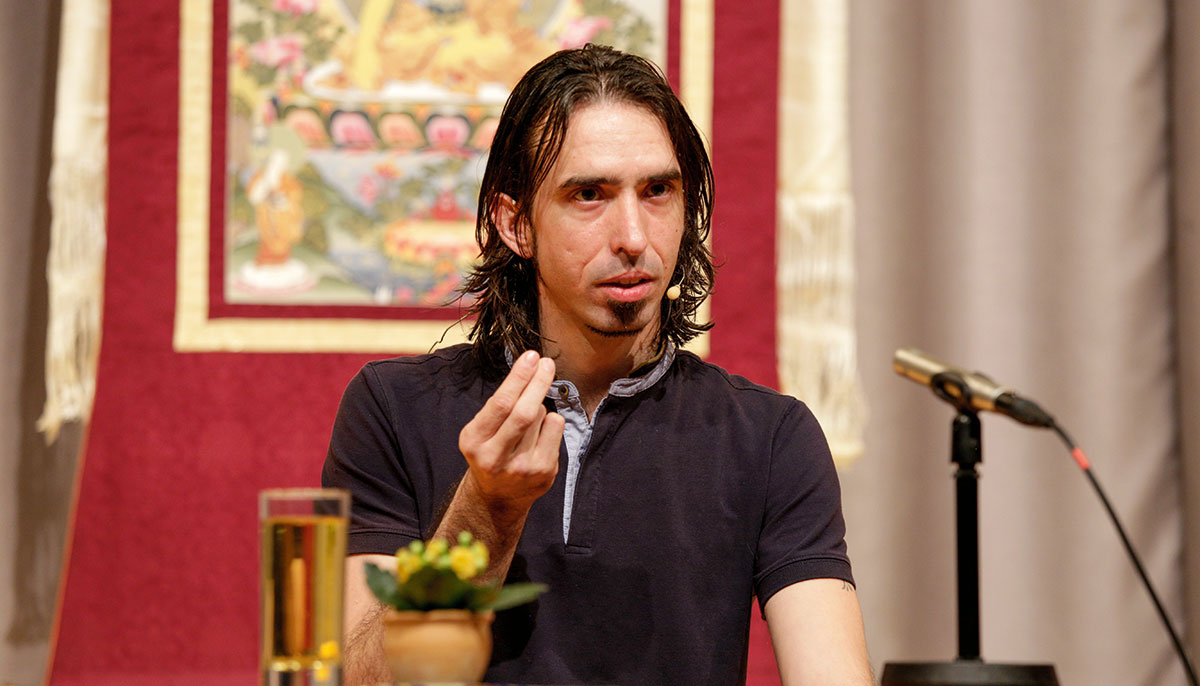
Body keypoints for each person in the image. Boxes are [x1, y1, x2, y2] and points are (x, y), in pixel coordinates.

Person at [323, 44, 872, 685]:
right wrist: (488, 508)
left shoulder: (772, 435)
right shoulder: (392, 409)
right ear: (515, 224)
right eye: (590, 194)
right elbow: (357, 680)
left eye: (659, 191)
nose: (634, 237)